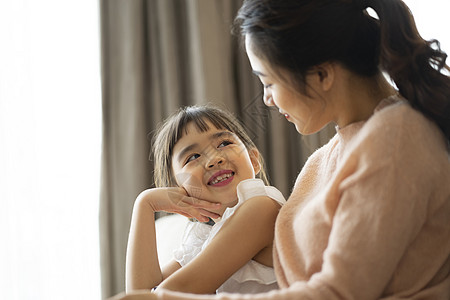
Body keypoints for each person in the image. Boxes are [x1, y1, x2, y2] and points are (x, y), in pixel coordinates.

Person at [112, 0, 450, 299]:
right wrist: (145, 204)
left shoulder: (394, 141)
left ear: (320, 73)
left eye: (269, 82)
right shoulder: (330, 155)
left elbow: (338, 293)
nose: (266, 100)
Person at [125, 105, 286, 295]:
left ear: (253, 159)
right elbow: (141, 295)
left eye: (224, 144)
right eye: (193, 157)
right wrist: (145, 204)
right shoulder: (203, 237)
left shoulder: (262, 207)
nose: (213, 160)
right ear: (178, 186)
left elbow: (159, 297)